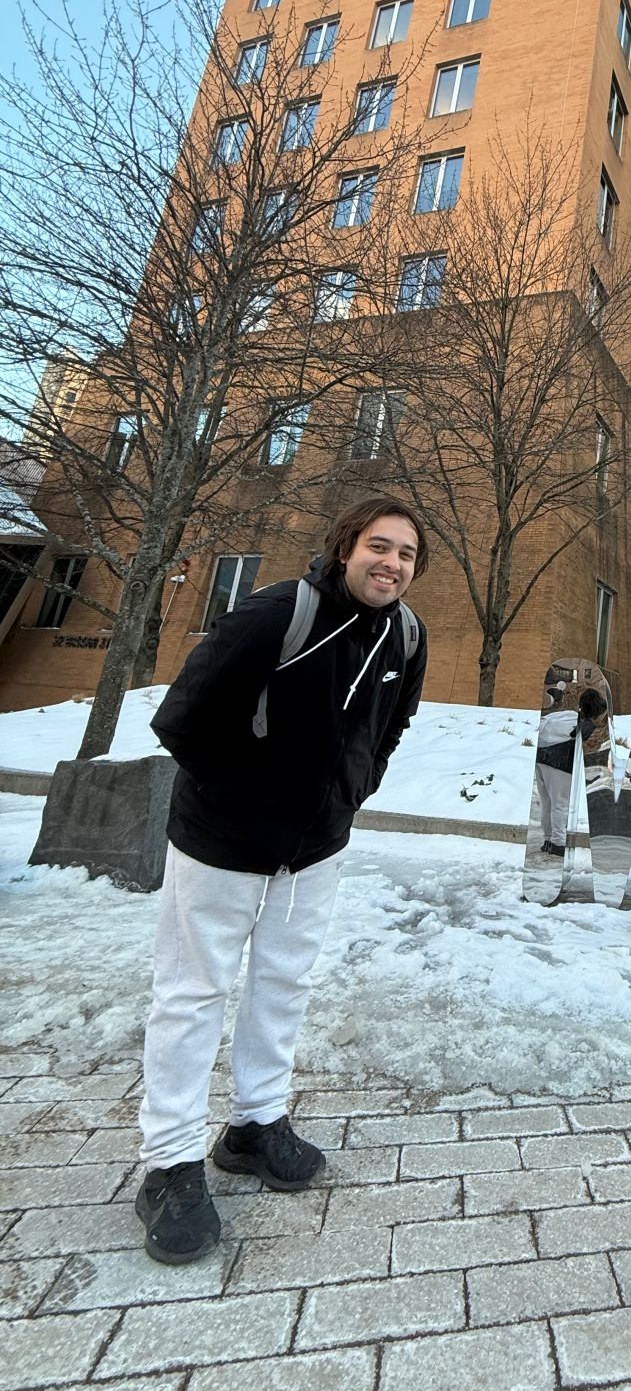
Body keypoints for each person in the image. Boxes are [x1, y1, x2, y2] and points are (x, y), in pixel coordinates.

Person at [134, 496, 429, 1265]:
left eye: (405, 553)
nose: (390, 563)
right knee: (192, 992)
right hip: (221, 844)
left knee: (282, 984)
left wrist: (347, 795)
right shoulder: (275, 615)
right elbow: (183, 720)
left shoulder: (407, 635)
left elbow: (390, 725)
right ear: (345, 549)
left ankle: (255, 1126)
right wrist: (249, 803)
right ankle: (169, 1163)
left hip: (317, 849)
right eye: (378, 546)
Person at [535, 688, 608, 855]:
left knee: (547, 803)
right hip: (558, 762)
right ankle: (559, 844)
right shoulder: (585, 724)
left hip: (540, 757)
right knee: (560, 804)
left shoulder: (567, 714)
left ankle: (548, 840)